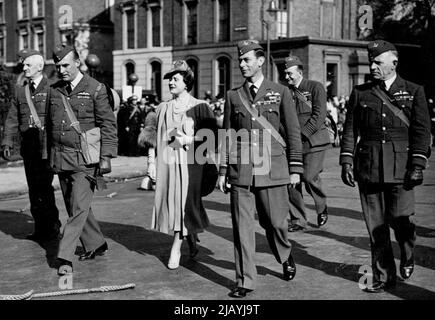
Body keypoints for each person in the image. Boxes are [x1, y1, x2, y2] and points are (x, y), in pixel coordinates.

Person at [340, 40, 431, 293]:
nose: (372, 66)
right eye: (371, 61)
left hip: (402, 168)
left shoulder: (413, 91)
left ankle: (408, 251)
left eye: (378, 62)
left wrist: (417, 164)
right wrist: (347, 160)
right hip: (368, 167)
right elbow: (350, 129)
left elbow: (422, 132)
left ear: (394, 63)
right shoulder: (360, 92)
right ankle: (382, 276)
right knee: (375, 226)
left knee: (401, 221)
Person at [217, 40, 303, 298]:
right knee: (242, 228)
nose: (242, 64)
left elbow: (293, 133)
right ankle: (245, 280)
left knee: (275, 223)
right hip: (241, 168)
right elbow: (228, 134)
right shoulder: (233, 96)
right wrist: (223, 169)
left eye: (246, 60)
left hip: (273, 166)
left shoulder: (280, 92)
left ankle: (285, 253)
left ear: (260, 60)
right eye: (240, 60)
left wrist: (295, 167)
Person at [47, 45, 118, 275]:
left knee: (77, 207)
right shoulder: (55, 90)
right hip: (61, 157)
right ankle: (97, 243)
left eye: (65, 65)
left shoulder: (96, 89)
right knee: (73, 205)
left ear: (78, 63)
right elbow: (51, 126)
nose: (61, 70)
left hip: (85, 161)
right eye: (58, 66)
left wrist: (106, 156)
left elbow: (108, 125)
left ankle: (65, 258)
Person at [151, 60, 217, 270]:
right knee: (176, 204)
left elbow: (213, 138)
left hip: (192, 165)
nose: (171, 82)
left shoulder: (200, 107)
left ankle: (176, 247)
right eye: (169, 79)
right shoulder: (162, 108)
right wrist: (151, 162)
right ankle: (191, 237)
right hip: (168, 165)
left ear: (186, 82)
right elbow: (153, 138)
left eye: (175, 78)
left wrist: (190, 139)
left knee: (184, 202)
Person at [1, 49, 60, 243]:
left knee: (44, 187)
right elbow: (12, 118)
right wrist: (7, 141)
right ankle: (40, 228)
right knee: (34, 189)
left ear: (39, 66)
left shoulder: (52, 87)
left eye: (27, 64)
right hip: (29, 149)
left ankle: (52, 226)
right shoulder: (21, 90)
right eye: (23, 64)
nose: (23, 68)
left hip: (46, 147)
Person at [283, 55, 332, 232]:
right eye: (285, 74)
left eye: (290, 73)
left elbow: (319, 115)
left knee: (309, 176)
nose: (287, 77)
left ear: (300, 72)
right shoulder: (285, 92)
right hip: (292, 144)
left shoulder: (314, 87)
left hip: (314, 142)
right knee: (292, 181)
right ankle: (298, 219)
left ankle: (321, 206)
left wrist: (302, 135)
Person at [138, 100, 157, 190]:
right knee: (153, 159)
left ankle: (150, 178)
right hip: (154, 137)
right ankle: (153, 179)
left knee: (150, 158)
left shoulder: (149, 116)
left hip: (150, 137)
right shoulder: (155, 115)